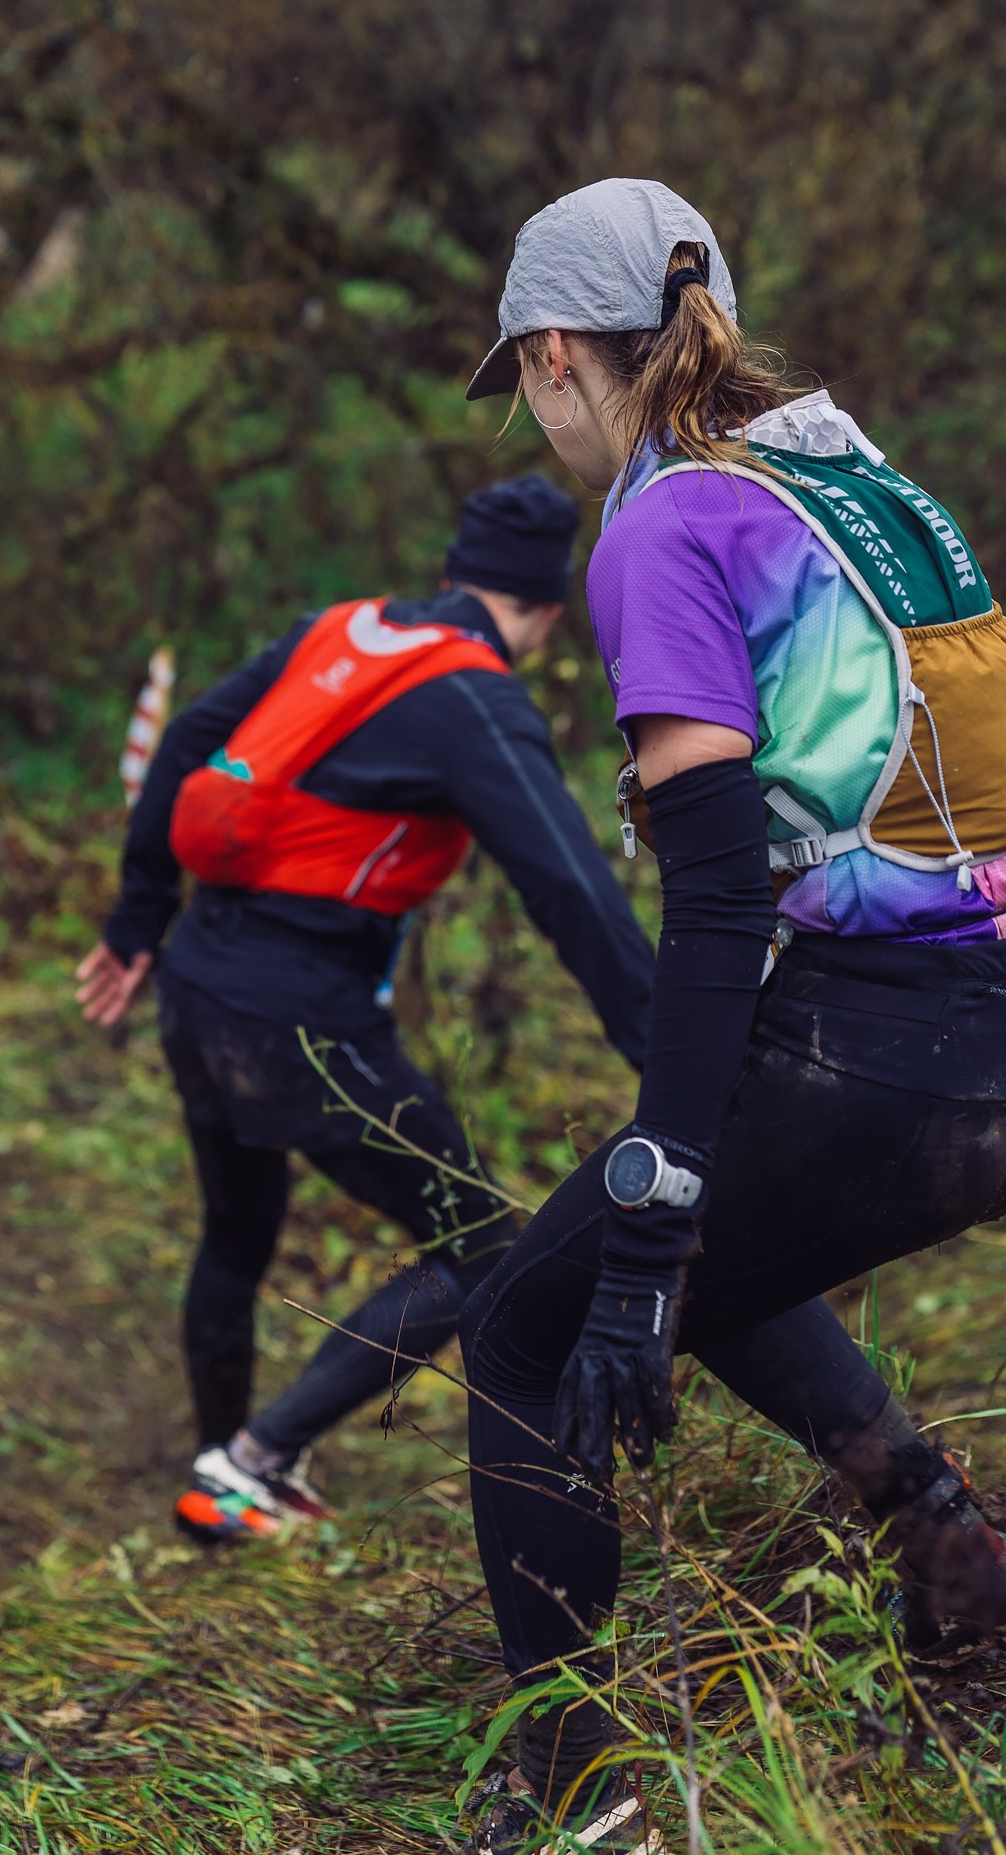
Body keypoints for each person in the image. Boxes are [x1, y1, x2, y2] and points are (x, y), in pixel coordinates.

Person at [426, 178, 1006, 1855]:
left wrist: (643, 1227)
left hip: (885, 1070)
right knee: (721, 1225)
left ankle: (578, 1817)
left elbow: (717, 905)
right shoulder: (850, 470)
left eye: (530, 388)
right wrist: (672, 1209)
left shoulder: (660, 528)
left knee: (525, 1322)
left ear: (560, 358)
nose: (541, 422)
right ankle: (975, 1577)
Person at [75, 475, 654, 1545]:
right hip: (296, 1020)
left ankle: (226, 1473)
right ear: (547, 607)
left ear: (447, 574)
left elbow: (183, 747)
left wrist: (136, 924)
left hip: (199, 986)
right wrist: (671, 1058)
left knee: (234, 1237)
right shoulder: (476, 696)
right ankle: (246, 1467)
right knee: (481, 1240)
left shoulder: (341, 630)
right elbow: (569, 890)